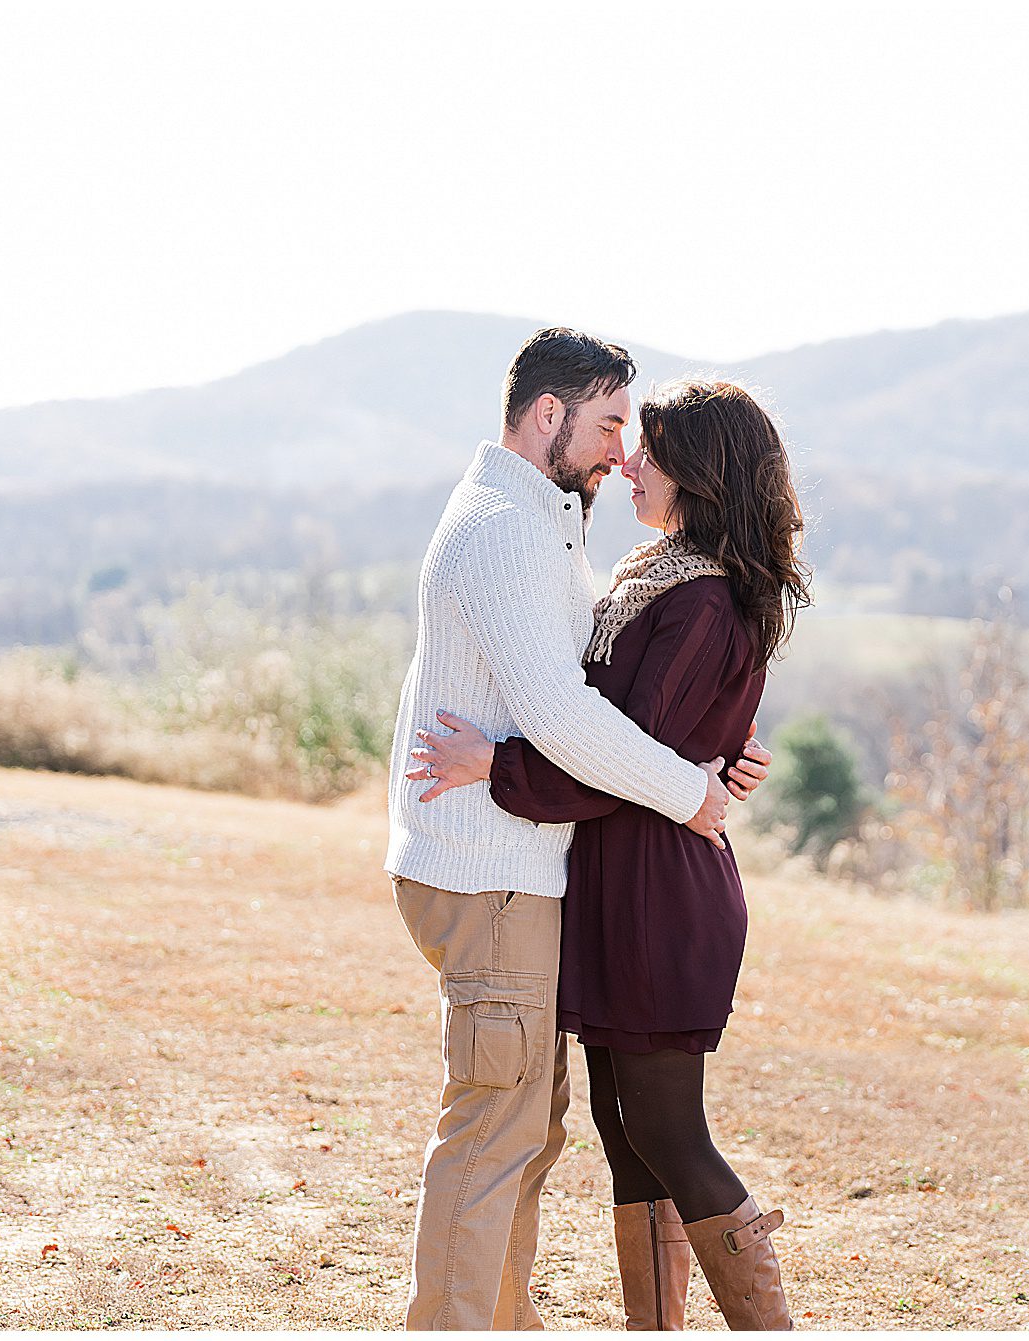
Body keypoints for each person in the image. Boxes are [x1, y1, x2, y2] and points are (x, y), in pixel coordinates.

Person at [384, 329, 771, 1331]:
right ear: (549, 416)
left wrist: (710, 752)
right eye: (609, 427)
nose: (619, 452)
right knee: (503, 1130)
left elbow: (629, 703)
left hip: (564, 872)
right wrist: (689, 788)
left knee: (536, 1126)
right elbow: (567, 716)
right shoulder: (511, 530)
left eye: (637, 440)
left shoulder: (550, 524)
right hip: (497, 866)